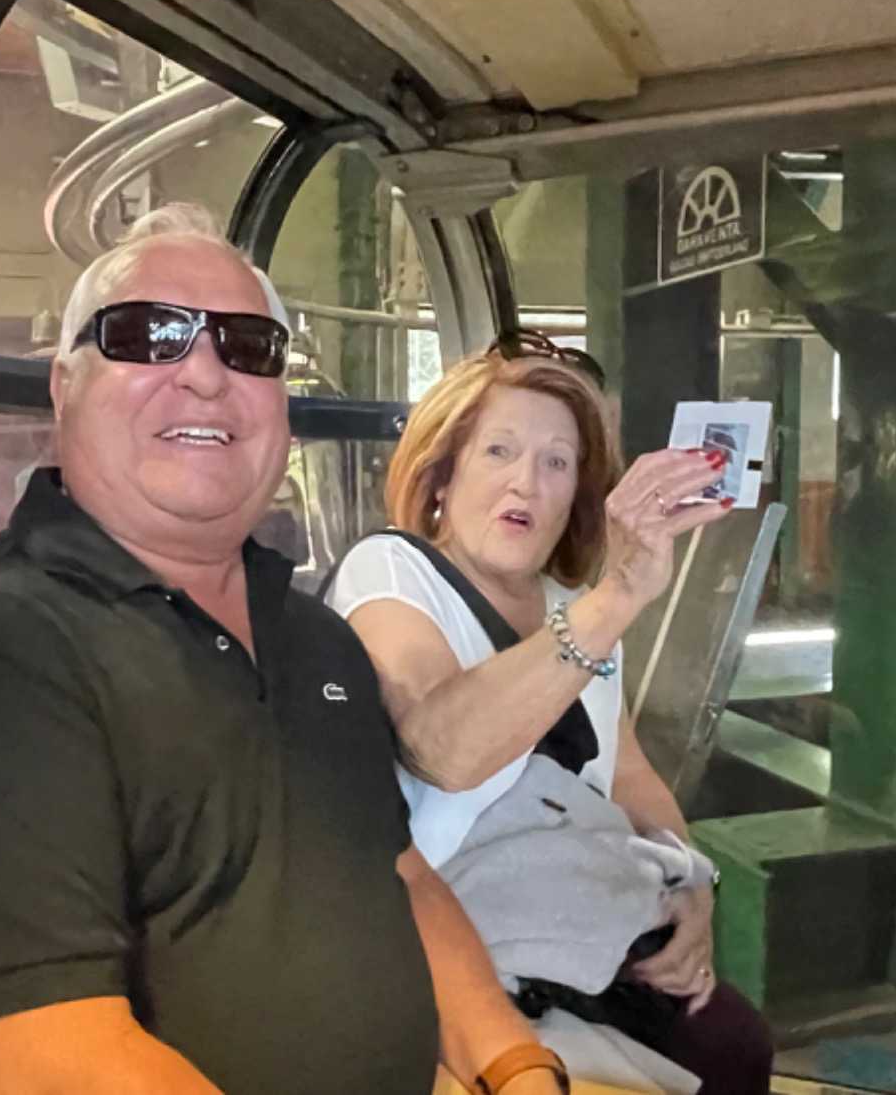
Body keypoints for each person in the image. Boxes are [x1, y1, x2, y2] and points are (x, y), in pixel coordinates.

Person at [0, 210, 568, 1095]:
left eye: (249, 347)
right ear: (64, 386)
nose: (207, 375)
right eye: (148, 335)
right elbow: (36, 1060)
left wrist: (520, 1068)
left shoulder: (314, 640)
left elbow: (397, 879)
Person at [324, 336, 777, 1093]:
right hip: (446, 944)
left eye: (556, 463)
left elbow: (629, 778)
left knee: (733, 1041)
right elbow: (444, 750)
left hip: (581, 924)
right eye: (498, 451)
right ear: (443, 475)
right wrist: (617, 597)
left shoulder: (575, 608)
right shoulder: (396, 570)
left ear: (576, 499)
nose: (525, 483)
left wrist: (695, 887)